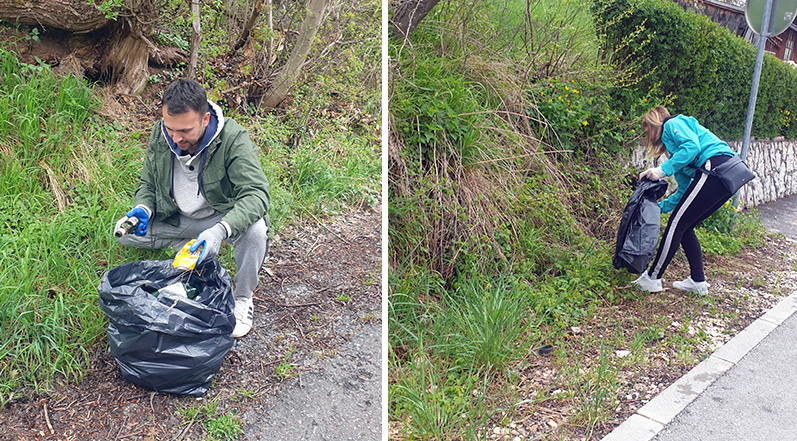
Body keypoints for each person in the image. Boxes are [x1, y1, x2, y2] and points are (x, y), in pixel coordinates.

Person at [115, 78, 270, 338]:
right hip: (178, 218)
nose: (176, 138)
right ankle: (192, 248)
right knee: (124, 232)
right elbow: (147, 184)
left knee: (256, 229)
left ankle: (243, 298)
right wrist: (143, 209)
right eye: (170, 128)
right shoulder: (161, 134)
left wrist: (220, 231)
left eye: (185, 130)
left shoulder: (233, 138)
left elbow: (257, 194)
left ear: (205, 119)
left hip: (220, 218)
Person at [631, 106, 736, 295]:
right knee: (685, 226)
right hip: (726, 176)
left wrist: (661, 171)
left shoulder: (672, 123)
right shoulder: (679, 157)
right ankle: (698, 281)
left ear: (654, 124)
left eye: (648, 131)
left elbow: (692, 147)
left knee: (675, 225)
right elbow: (684, 191)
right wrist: (657, 208)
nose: (648, 136)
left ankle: (652, 278)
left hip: (715, 167)